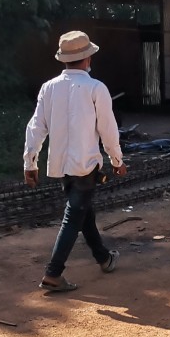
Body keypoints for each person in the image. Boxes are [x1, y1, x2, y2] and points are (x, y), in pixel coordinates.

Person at [23, 30, 126, 292]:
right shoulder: (96, 88)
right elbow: (108, 129)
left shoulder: (49, 88)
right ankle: (53, 273)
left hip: (62, 166)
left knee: (83, 212)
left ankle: (104, 258)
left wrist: (30, 162)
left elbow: (36, 127)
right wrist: (117, 159)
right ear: (88, 58)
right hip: (85, 164)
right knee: (74, 215)